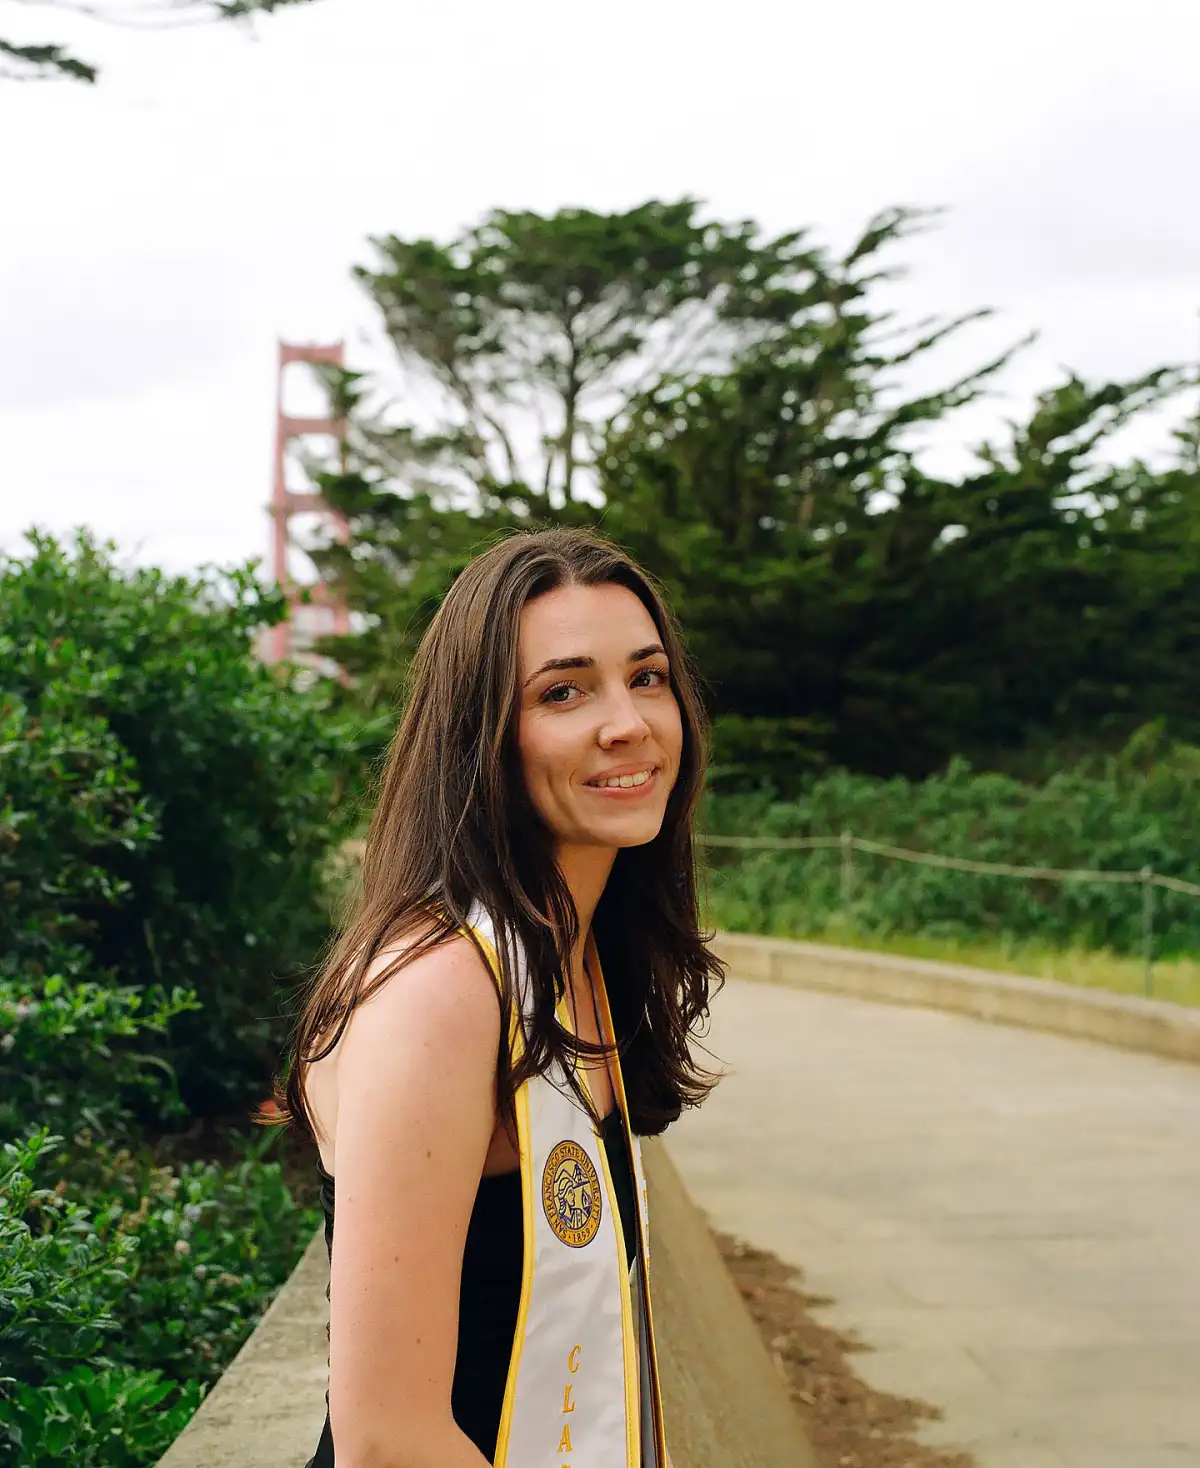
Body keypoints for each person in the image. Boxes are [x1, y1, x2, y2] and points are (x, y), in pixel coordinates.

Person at [267, 526, 725, 1468]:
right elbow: (387, 1441)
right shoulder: (437, 988)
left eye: (646, 677)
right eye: (563, 691)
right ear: (480, 738)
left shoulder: (578, 955)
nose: (628, 723)